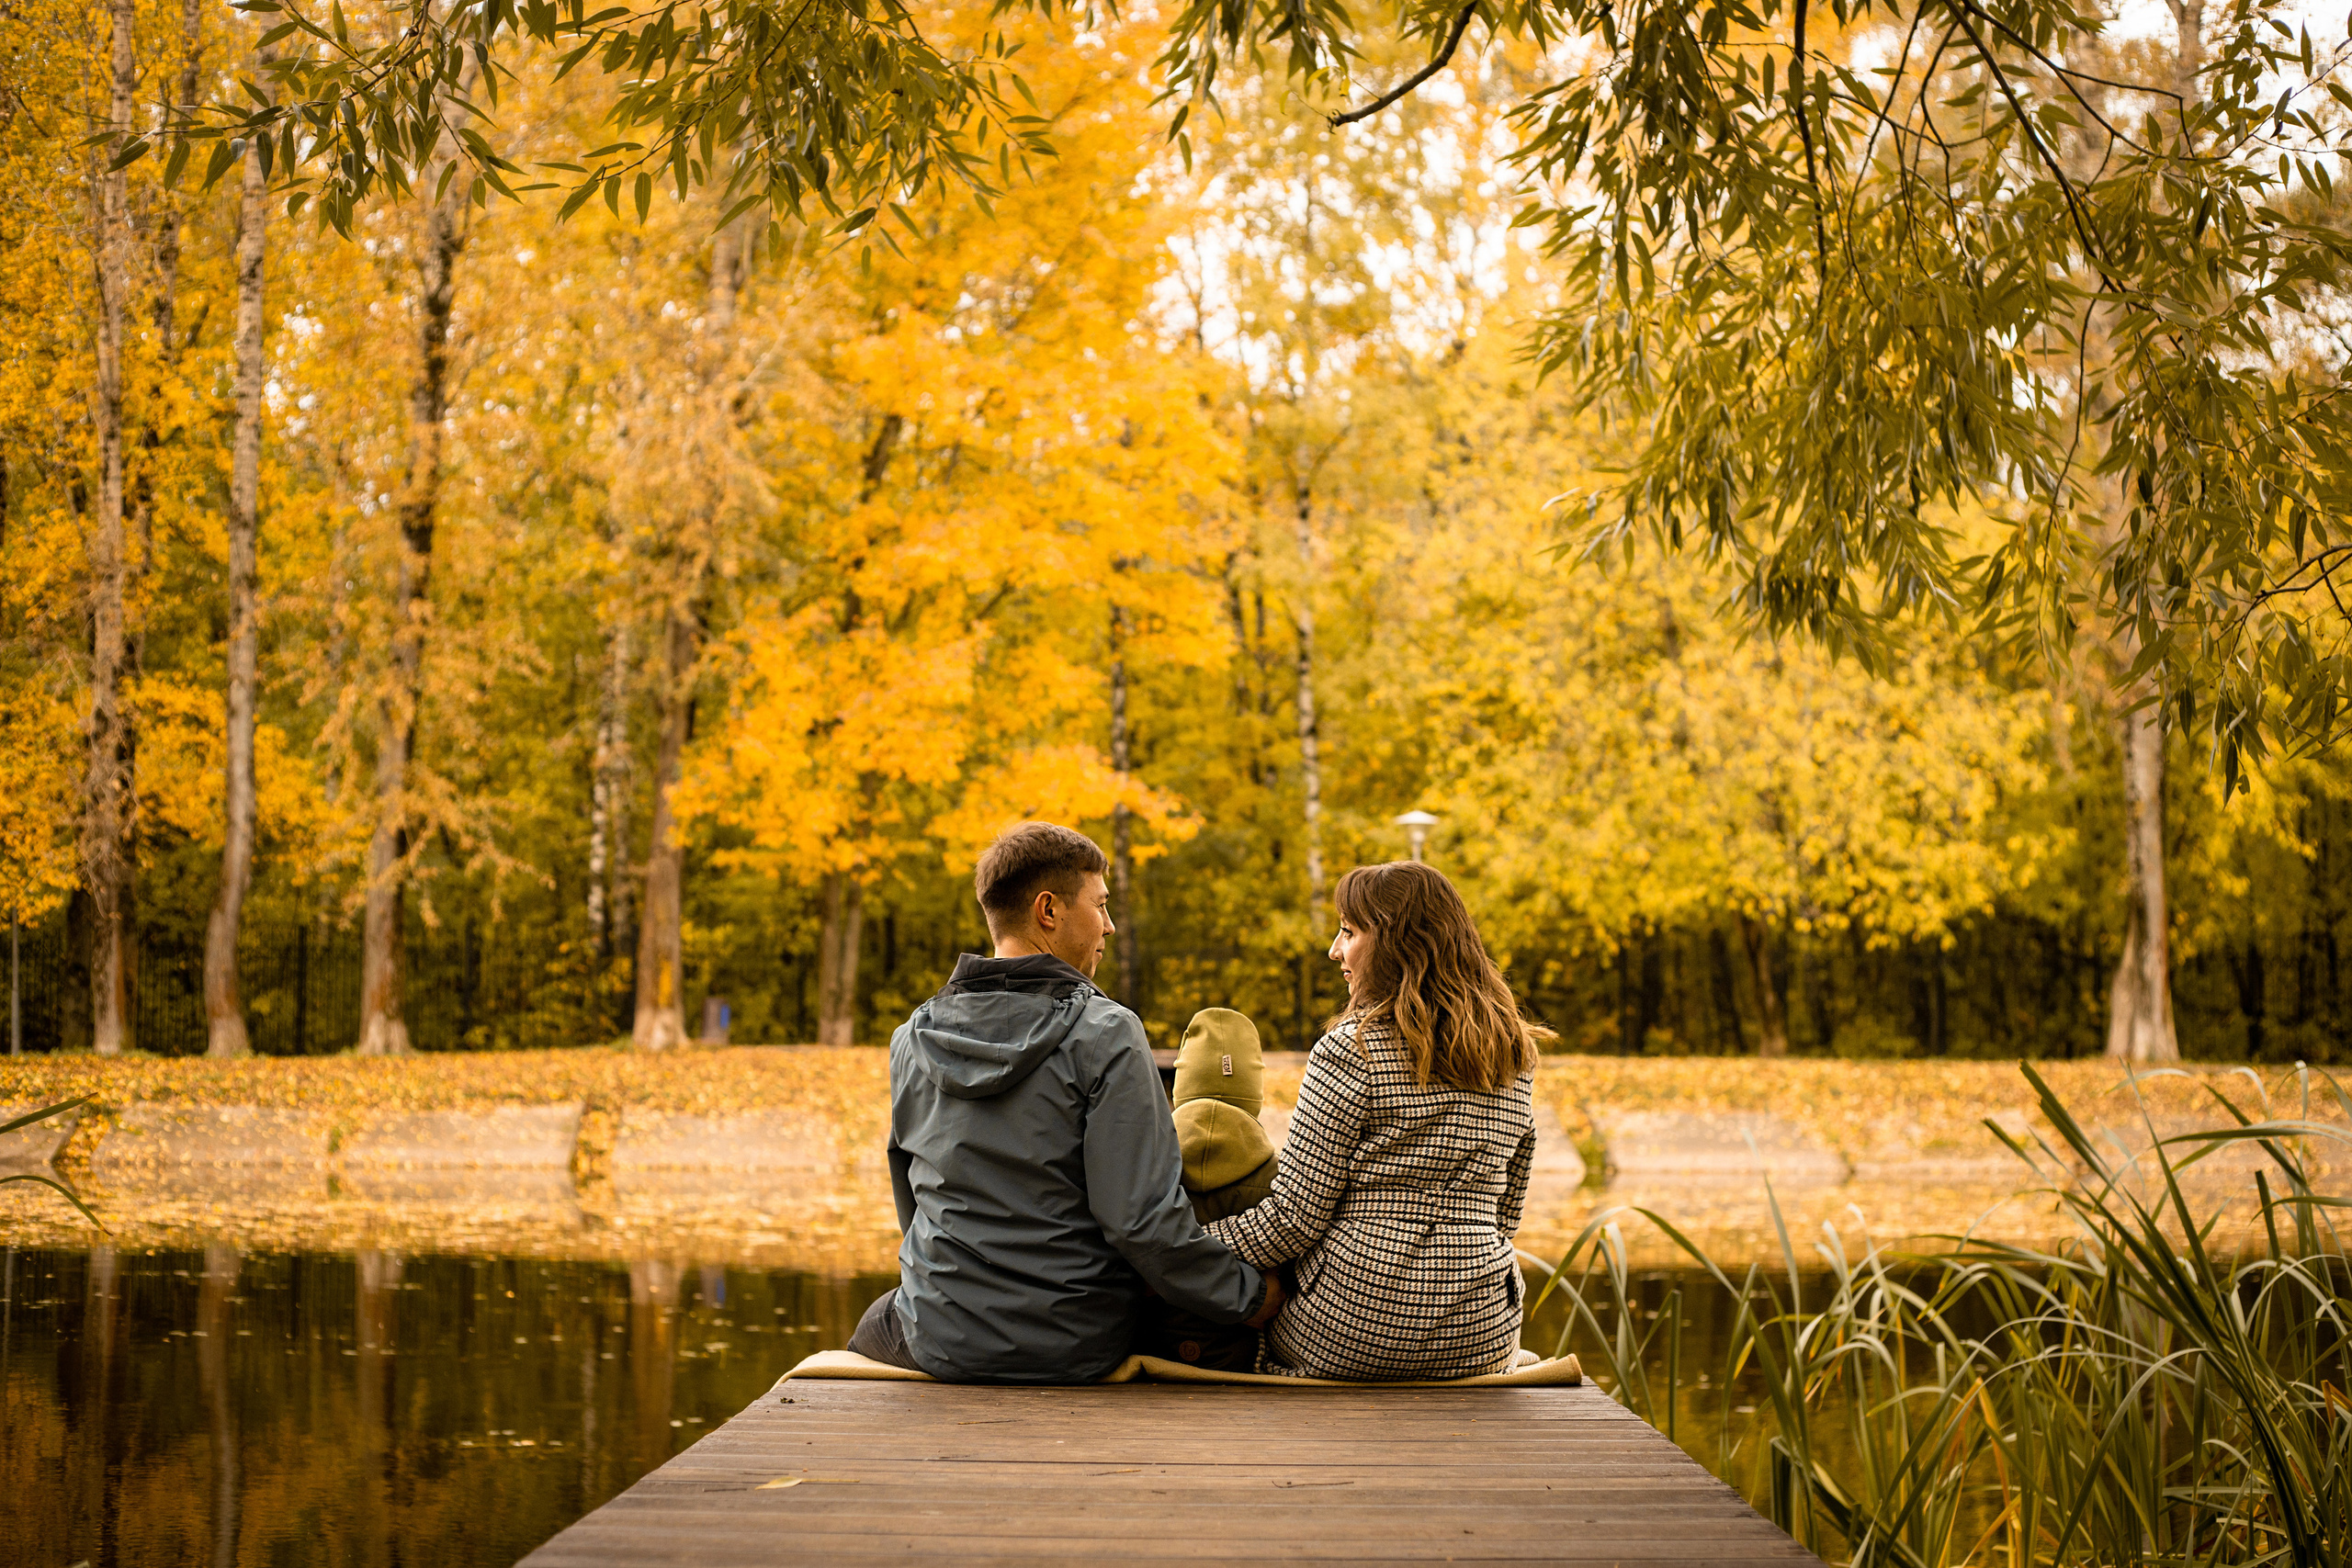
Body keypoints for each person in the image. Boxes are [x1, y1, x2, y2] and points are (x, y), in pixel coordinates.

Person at [848, 821, 1282, 1382]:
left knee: (870, 1325)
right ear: (1048, 911)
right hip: (1076, 1342)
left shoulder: (911, 1038)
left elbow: (910, 1195)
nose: (1110, 924)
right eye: (1099, 906)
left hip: (943, 1337)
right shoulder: (1107, 1033)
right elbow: (1142, 1223)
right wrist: (1250, 1296)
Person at [1206, 860, 1548, 1380]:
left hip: (1355, 1326)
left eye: (1348, 932)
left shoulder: (1353, 1050)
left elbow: (1293, 1221)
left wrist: (1179, 1247)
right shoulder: (1513, 1055)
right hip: (1481, 1332)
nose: (1334, 950)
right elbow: (1506, 1217)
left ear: (1394, 942)